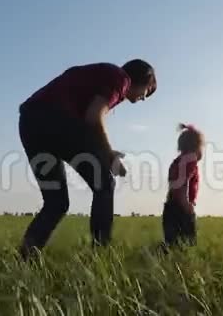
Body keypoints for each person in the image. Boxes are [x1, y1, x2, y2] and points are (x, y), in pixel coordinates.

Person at [17, 59, 157, 259]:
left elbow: (88, 124)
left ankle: (25, 257)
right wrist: (108, 156)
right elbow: (94, 117)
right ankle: (101, 254)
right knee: (105, 183)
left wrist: (106, 152)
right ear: (142, 80)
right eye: (147, 92)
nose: (143, 98)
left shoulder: (104, 77)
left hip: (30, 122)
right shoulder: (121, 78)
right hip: (54, 119)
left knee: (56, 202)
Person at [162, 123, 204, 249]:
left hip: (170, 207)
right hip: (181, 209)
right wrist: (186, 204)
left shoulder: (177, 161)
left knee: (172, 246)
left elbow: (174, 185)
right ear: (197, 147)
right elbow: (182, 183)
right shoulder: (190, 160)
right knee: (187, 246)